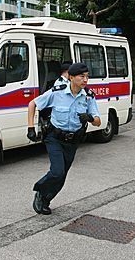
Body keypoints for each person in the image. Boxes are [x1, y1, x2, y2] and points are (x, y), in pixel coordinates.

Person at [27, 63, 101, 215]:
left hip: (73, 141)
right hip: (54, 137)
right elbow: (32, 104)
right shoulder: (57, 92)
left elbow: (98, 121)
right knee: (57, 172)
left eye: (87, 76)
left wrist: (90, 118)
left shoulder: (88, 96)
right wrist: (30, 128)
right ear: (71, 77)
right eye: (82, 76)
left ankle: (45, 200)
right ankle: (40, 191)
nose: (85, 80)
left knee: (61, 177)